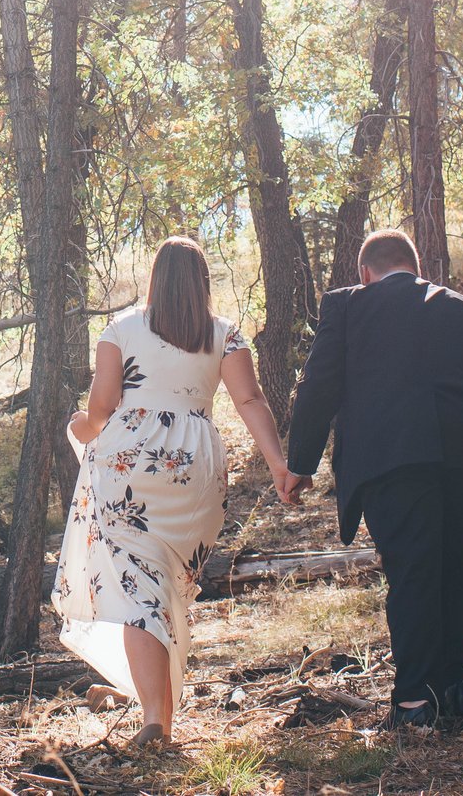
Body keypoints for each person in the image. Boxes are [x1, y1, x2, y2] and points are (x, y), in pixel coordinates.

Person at [53, 237, 300, 752]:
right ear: (201, 282)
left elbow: (103, 405)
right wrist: (279, 464)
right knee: (162, 588)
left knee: (140, 589)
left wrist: (82, 425)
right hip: (195, 467)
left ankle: (155, 719)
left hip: (129, 462)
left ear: (155, 279)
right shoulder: (223, 334)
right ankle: (159, 712)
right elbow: (250, 399)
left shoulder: (121, 329)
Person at [279, 228, 463, 731]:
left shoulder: (349, 305)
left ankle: (415, 704)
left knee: (413, 569)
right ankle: (454, 693)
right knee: (452, 562)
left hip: (394, 458)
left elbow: (319, 384)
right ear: (415, 266)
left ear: (365, 273)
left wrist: (299, 463)